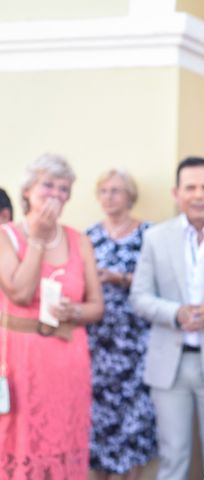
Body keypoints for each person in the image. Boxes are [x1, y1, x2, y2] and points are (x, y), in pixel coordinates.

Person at [130, 157, 204, 480]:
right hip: (170, 366)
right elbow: (138, 297)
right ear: (176, 193)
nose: (199, 195)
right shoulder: (156, 238)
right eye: (191, 188)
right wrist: (174, 313)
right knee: (172, 459)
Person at [0, 154, 104, 478]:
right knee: (20, 439)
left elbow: (96, 306)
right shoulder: (6, 235)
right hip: (20, 357)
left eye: (63, 188)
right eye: (48, 185)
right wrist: (38, 239)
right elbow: (19, 292)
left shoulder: (80, 240)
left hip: (67, 356)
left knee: (63, 438)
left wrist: (74, 311)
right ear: (28, 190)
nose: (56, 194)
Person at [86, 169, 156, 479]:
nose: (110, 197)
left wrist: (122, 279)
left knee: (134, 420)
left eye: (116, 190)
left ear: (130, 195)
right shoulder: (89, 236)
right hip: (98, 344)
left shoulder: (148, 234)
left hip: (135, 342)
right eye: (104, 191)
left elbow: (158, 284)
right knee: (98, 420)